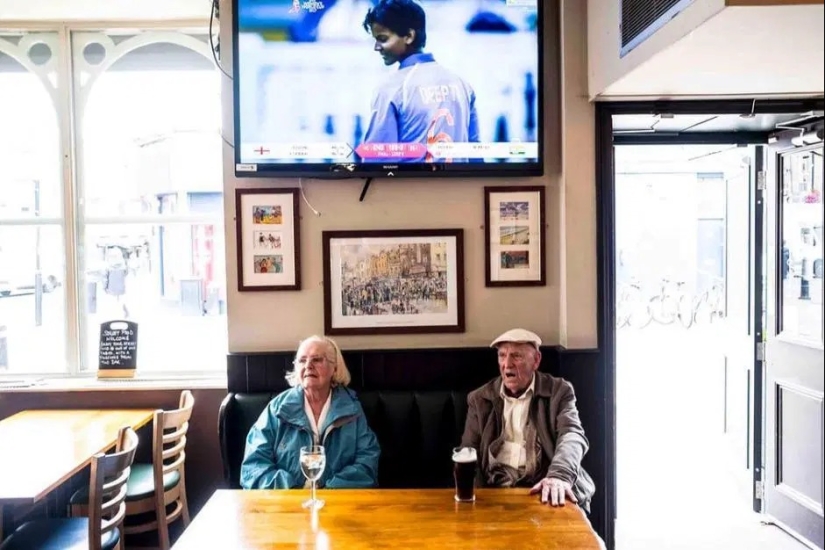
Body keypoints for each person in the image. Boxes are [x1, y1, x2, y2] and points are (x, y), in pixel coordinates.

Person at [461, 328, 596, 512]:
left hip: (544, 490)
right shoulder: (479, 399)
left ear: (536, 360)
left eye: (516, 356)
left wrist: (559, 476)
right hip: (495, 492)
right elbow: (469, 452)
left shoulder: (559, 391)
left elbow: (572, 435)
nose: (507, 364)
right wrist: (476, 503)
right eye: (502, 355)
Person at [240, 335, 380, 489]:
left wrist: (332, 491)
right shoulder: (277, 409)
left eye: (317, 359)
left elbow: (367, 463)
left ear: (334, 368)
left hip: (337, 502)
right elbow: (253, 466)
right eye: (302, 360)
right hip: (286, 502)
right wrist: (292, 491)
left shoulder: (352, 409)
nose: (308, 365)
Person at [361, 0, 480, 163]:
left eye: (382, 38)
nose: (377, 47)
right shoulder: (461, 85)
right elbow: (475, 155)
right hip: (461, 187)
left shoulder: (391, 89)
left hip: (409, 188)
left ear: (409, 36)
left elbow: (377, 162)